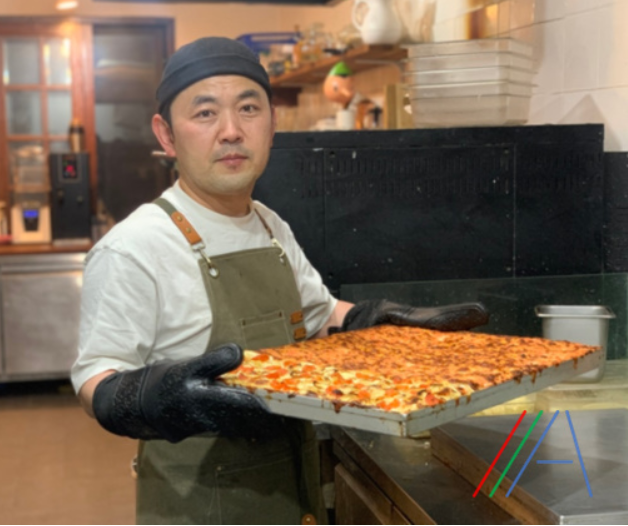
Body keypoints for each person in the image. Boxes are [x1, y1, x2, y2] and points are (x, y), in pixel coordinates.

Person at [71, 36, 488, 525]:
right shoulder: (134, 246)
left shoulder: (269, 225)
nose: (231, 131)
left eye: (248, 109)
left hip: (292, 489)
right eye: (205, 113)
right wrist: (154, 398)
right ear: (166, 135)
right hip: (203, 504)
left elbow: (317, 315)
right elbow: (96, 378)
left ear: (272, 124)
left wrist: (374, 321)